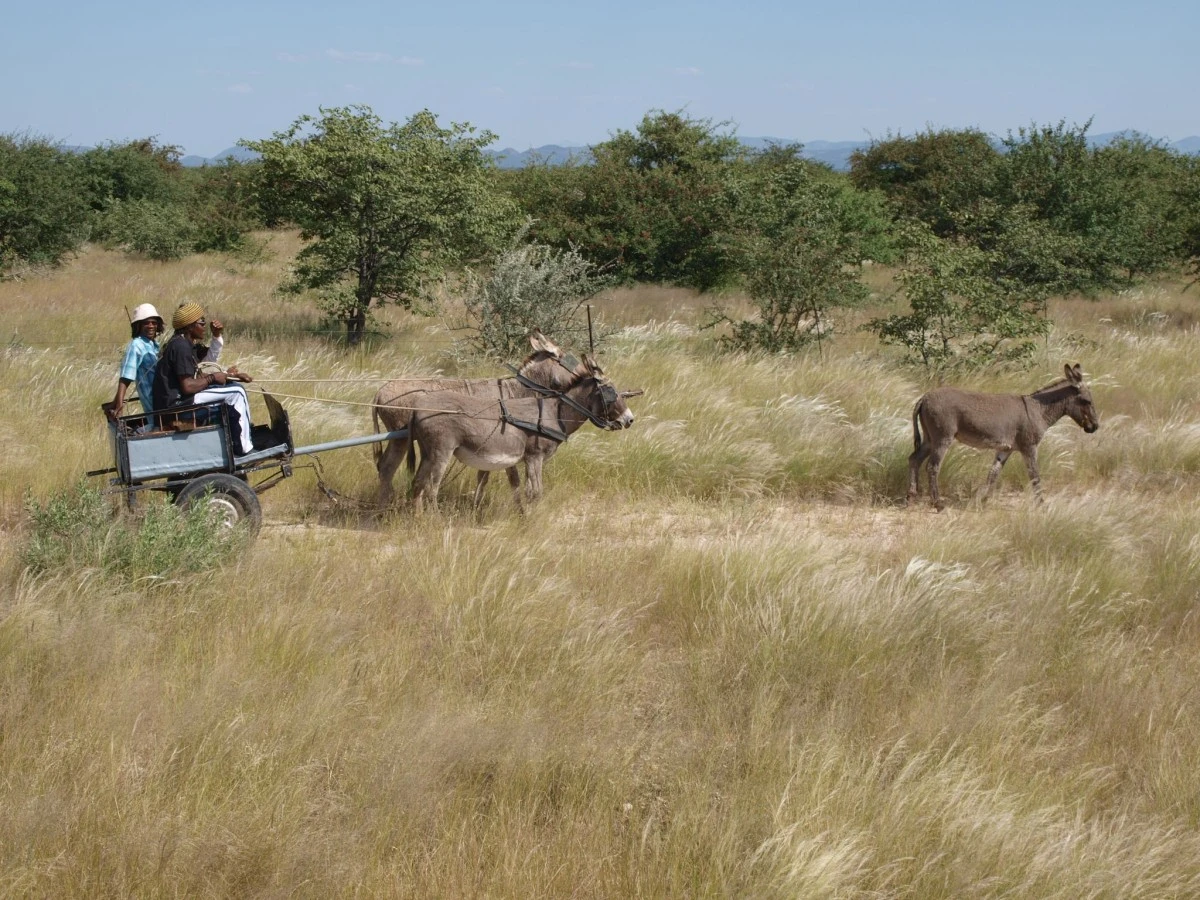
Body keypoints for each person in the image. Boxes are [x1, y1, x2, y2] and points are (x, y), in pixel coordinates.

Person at [151, 302, 256, 455]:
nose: (204, 326)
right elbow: (187, 386)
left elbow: (196, 375)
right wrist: (213, 378)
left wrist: (228, 375)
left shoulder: (181, 343)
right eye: (201, 322)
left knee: (234, 387)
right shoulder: (180, 347)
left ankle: (240, 438)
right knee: (237, 393)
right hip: (178, 406)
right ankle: (244, 447)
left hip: (178, 403)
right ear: (190, 326)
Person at [108, 303, 165, 421]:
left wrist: (114, 402)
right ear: (138, 326)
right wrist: (119, 406)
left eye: (154, 323)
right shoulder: (136, 345)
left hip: (162, 398)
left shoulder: (153, 345)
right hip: (154, 403)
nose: (151, 326)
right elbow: (126, 377)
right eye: (146, 323)